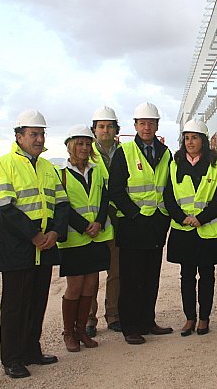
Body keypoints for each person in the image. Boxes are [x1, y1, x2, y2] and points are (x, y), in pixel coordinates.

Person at [0, 110, 69, 378]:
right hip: (18, 248)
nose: (39, 138)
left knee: (37, 301)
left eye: (42, 133)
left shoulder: (48, 167)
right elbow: (4, 208)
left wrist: (55, 233)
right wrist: (34, 235)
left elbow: (62, 203)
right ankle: (12, 358)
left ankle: (32, 349)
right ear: (19, 136)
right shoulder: (3, 164)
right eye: (34, 134)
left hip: (45, 246)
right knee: (14, 305)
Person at [108, 102, 173, 345]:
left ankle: (147, 321)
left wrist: (164, 216)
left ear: (157, 125)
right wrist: (134, 214)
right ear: (135, 125)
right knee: (131, 278)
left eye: (151, 123)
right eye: (143, 123)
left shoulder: (165, 152)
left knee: (151, 277)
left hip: (156, 223)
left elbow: (168, 187)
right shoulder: (124, 152)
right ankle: (130, 327)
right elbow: (115, 190)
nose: (147, 127)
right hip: (132, 225)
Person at [164, 119, 217, 336]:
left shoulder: (216, 164)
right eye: (187, 138)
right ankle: (189, 318)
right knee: (186, 276)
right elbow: (169, 195)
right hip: (184, 231)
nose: (190, 142)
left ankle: (204, 318)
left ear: (203, 140)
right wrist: (182, 217)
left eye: (194, 138)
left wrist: (200, 218)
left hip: (207, 229)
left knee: (207, 274)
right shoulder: (175, 164)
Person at [57, 125, 113, 351]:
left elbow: (104, 198)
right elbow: (63, 206)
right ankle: (68, 332)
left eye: (87, 144)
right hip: (74, 238)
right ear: (70, 146)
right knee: (75, 286)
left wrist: (98, 222)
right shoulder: (60, 173)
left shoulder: (97, 169)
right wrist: (83, 226)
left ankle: (82, 330)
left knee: (91, 284)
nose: (84, 148)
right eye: (79, 143)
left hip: (96, 236)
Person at [85, 106, 123, 336]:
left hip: (117, 220)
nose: (105, 130)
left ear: (116, 129)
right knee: (91, 272)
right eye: (101, 126)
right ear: (94, 130)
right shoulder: (85, 151)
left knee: (115, 271)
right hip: (94, 221)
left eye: (109, 126)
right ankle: (90, 318)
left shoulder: (126, 152)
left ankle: (114, 314)